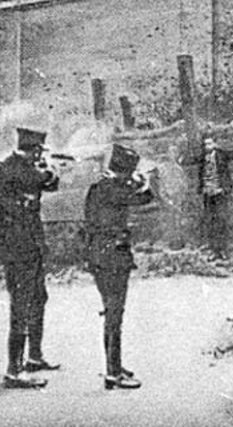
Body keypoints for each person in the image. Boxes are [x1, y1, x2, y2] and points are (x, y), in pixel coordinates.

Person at [84, 144, 157, 390]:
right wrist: (144, 181)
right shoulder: (114, 188)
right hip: (113, 257)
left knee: (112, 313)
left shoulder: (101, 186)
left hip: (99, 255)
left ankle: (113, 365)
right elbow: (145, 197)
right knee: (115, 315)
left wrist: (131, 180)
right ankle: (113, 373)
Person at [0, 128, 60, 389]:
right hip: (17, 247)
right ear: (33, 149)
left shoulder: (22, 166)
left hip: (30, 245)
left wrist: (47, 170)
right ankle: (14, 369)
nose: (39, 156)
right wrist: (49, 167)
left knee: (38, 298)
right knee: (21, 306)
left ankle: (34, 356)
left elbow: (50, 185)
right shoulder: (14, 167)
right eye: (38, 152)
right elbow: (45, 179)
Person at [199, 137, 233, 260]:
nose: (207, 146)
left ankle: (223, 249)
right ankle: (214, 250)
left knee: (221, 220)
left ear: (215, 144)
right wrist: (202, 187)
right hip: (208, 193)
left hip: (219, 192)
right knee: (210, 221)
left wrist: (224, 188)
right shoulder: (203, 158)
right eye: (205, 144)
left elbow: (226, 172)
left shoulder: (221, 156)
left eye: (209, 143)